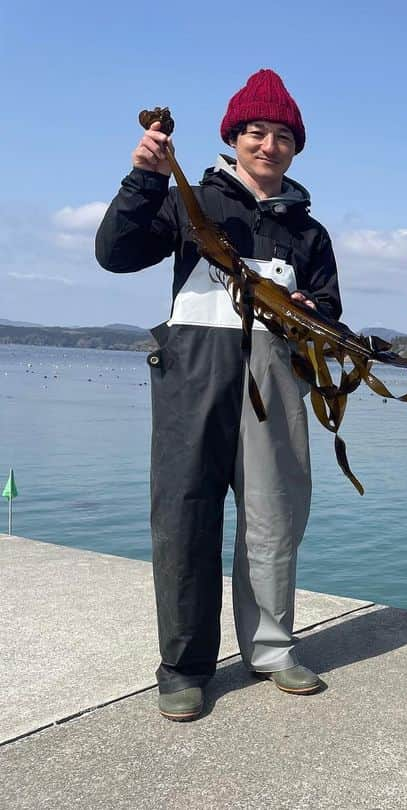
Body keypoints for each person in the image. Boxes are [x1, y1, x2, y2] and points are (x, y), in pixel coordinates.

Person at [95, 69, 342, 721]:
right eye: (255, 132)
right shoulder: (190, 202)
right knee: (185, 518)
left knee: (275, 519)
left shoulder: (309, 234)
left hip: (275, 386)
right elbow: (115, 253)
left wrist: (310, 307)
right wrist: (144, 177)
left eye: (282, 134)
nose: (269, 144)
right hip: (193, 381)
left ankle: (270, 650)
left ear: (296, 146)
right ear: (233, 138)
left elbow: (331, 310)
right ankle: (184, 667)